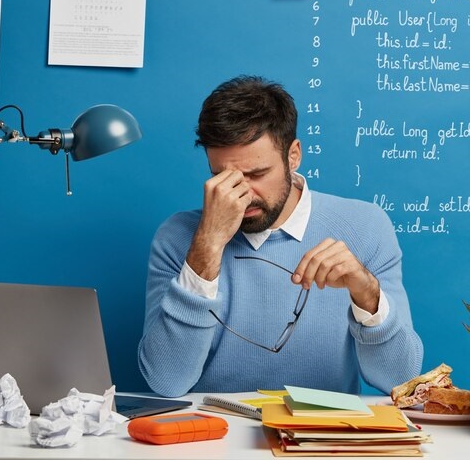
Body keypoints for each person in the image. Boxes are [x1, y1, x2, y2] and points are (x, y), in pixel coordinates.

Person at [138, 76, 423, 397]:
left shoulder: (365, 226)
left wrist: (367, 294)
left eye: (257, 174)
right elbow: (167, 381)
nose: (243, 194)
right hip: (215, 426)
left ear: (293, 155)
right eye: (223, 177)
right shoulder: (178, 237)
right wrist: (207, 246)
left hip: (323, 427)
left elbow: (400, 379)